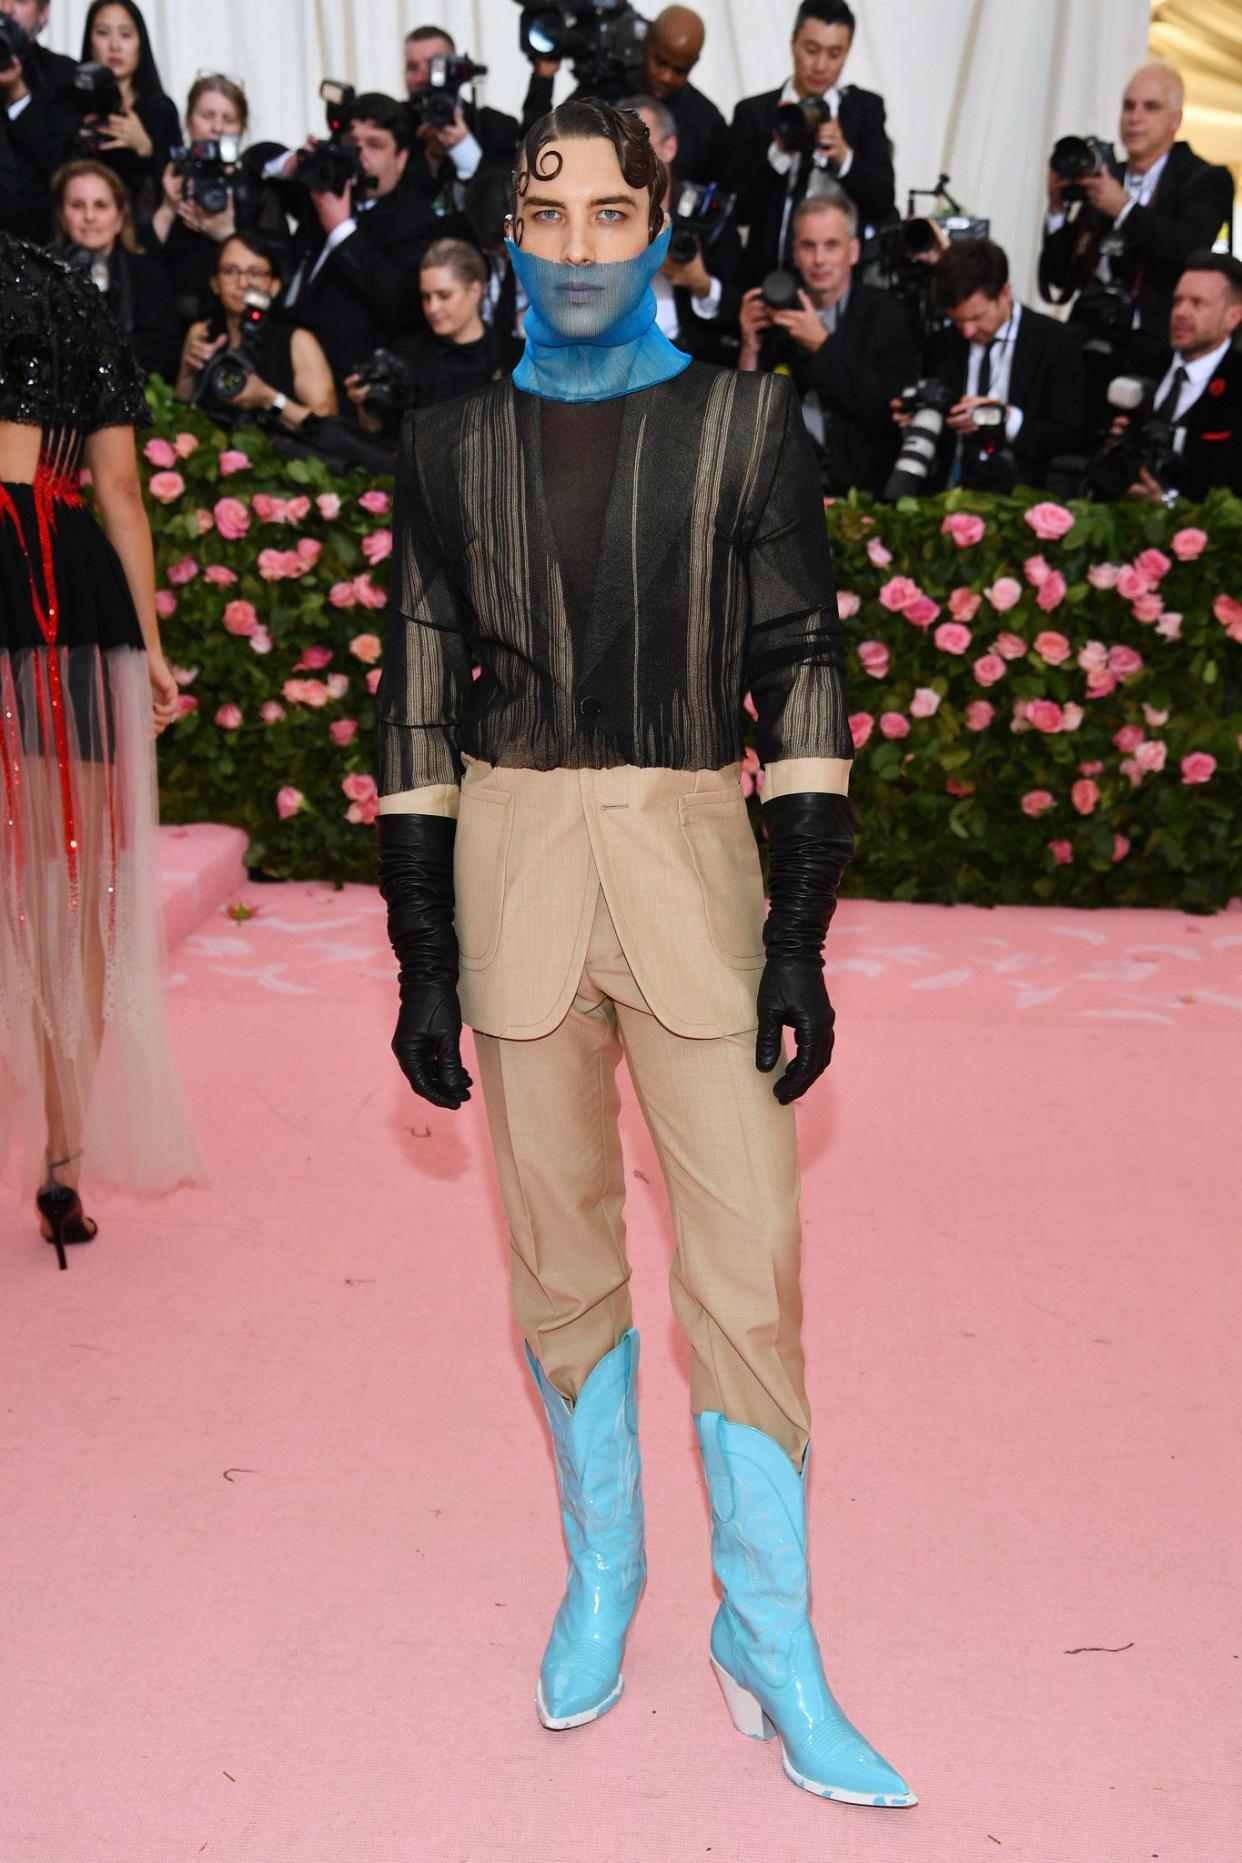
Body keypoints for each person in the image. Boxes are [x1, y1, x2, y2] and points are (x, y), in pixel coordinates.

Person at [375, 97, 917, 1810]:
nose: (581, 247)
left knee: (747, 1258)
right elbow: (410, 702)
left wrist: (804, 926)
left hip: (695, 877)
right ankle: (603, 1570)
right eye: (550, 216)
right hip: (514, 882)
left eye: (616, 216)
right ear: (509, 233)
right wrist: (417, 950)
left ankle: (768, 1629)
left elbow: (807, 668)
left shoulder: (751, 427)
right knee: (560, 1260)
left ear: (661, 226)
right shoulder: (445, 443)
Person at [0, 233, 202, 1263]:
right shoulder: (68, 297)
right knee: (69, 887)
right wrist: (154, 649)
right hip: (58, 587)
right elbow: (120, 492)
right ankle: (62, 1163)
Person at [1039, 64, 1234, 376]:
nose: (1135, 117)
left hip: (1155, 350)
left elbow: (1190, 248)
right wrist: (1056, 207)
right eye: (1128, 106)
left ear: (1176, 120)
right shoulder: (1105, 176)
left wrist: (1125, 208)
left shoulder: (1203, 178)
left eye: (1150, 107)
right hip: (1087, 339)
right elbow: (1061, 276)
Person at [740, 189, 918, 494]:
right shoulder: (776, 311)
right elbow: (745, 419)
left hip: (862, 491)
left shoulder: (888, 314)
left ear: (854, 251)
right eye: (809, 246)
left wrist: (821, 345)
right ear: (795, 253)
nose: (819, 260)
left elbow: (886, 411)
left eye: (831, 245)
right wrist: (749, 346)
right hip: (782, 489)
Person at [892, 237, 1086, 491]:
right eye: (958, 320)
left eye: (977, 317)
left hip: (1025, 493)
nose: (968, 331)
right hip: (951, 489)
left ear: (1005, 293)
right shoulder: (943, 343)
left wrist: (1006, 419)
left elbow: (1073, 437)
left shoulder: (1056, 342)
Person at [281, 91, 442, 393]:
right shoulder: (322, 192)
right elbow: (257, 162)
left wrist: (341, 230)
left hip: (345, 381)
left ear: (402, 156)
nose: (360, 155)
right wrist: (295, 163)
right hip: (283, 359)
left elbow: (397, 304)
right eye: (353, 145)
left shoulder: (417, 221)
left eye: (375, 145)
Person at [731, 0, 896, 285]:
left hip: (838, 287)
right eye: (811, 50)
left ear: (847, 53)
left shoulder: (865, 111)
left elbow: (883, 201)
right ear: (793, 43)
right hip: (768, 279)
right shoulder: (755, 113)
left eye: (834, 54)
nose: (820, 65)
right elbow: (739, 211)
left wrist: (844, 157)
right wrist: (779, 153)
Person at [523, 6, 729, 188]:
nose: (666, 77)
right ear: (646, 41)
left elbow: (718, 199)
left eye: (680, 71)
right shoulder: (594, 97)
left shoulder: (706, 121)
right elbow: (538, 155)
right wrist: (543, 80)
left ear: (694, 63)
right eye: (660, 62)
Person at [146, 74, 287, 329]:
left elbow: (277, 272)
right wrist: (168, 208)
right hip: (169, 321)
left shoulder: (257, 188)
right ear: (189, 122)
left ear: (242, 129)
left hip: (238, 324)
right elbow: (140, 261)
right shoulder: (164, 180)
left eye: (229, 119)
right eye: (207, 116)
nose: (217, 128)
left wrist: (228, 235)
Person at [345, 238, 515, 440]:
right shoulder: (405, 353)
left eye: (444, 295)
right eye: (426, 297)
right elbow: (378, 436)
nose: (432, 308)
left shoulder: (511, 357)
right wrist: (365, 406)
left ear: (475, 291)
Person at [174, 231, 336, 432]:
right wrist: (188, 372)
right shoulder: (202, 333)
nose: (243, 284)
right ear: (215, 283)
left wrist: (269, 399)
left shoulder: (297, 341)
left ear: (274, 286)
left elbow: (326, 425)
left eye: (255, 273)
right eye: (230, 271)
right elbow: (180, 408)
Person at [623, 94, 741, 363]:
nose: (631, 163)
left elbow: (743, 307)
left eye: (643, 149)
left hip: (696, 365)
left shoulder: (708, 213)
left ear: (670, 148)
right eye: (622, 151)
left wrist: (702, 285)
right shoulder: (597, 219)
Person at [1121, 252, 1242, 504]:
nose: (1181, 313)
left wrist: (1170, 504)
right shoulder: (1143, 364)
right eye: (1177, 301)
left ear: (1233, 316)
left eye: (1198, 303)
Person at [50, 157, 179, 379]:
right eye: (77, 206)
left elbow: (162, 350)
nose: (89, 217)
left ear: (120, 217)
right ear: (62, 217)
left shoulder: (148, 276)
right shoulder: (41, 273)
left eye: (100, 205)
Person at [76, 0, 180, 225]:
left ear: (140, 44)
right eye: (103, 33)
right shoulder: (72, 103)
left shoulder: (159, 109)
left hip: (143, 237)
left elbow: (175, 191)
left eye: (125, 35)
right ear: (90, 42)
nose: (115, 45)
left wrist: (145, 148)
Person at [403, 23, 520, 201]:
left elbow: (507, 203)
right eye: (413, 68)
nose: (421, 78)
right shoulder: (393, 124)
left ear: (455, 70)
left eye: (433, 67)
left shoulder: (496, 126)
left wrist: (463, 148)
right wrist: (431, 156)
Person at [0, 0, 81, 240]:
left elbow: (67, 171)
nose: (6, 8)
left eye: (21, 1)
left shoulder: (67, 77)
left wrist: (18, 96)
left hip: (48, 246)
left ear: (43, 13)